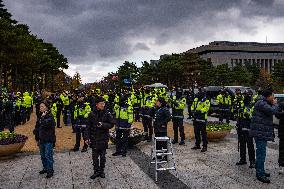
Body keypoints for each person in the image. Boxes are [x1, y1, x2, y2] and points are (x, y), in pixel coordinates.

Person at [250, 89, 284, 183]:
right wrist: (276, 103)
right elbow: (272, 111)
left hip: (261, 132)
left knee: (261, 153)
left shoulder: (263, 102)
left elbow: (275, 113)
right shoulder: (261, 103)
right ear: (268, 96)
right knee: (261, 153)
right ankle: (260, 174)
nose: (274, 97)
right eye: (272, 96)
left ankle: (261, 170)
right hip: (260, 132)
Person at [87, 97, 115, 179]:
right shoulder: (91, 114)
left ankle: (101, 170)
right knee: (95, 157)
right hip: (94, 138)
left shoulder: (107, 113)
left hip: (103, 138)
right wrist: (87, 138)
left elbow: (112, 124)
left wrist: (103, 125)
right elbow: (88, 127)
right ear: (96, 105)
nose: (103, 105)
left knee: (103, 157)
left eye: (104, 103)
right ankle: (96, 171)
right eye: (101, 103)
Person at [33, 101, 56, 178]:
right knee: (42, 155)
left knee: (48, 155)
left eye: (42, 106)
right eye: (40, 107)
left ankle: (50, 170)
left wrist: (42, 117)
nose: (40, 108)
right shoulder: (40, 116)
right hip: (41, 139)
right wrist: (36, 135)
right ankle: (45, 168)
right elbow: (37, 127)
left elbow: (46, 125)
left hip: (48, 139)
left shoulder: (50, 116)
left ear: (46, 107)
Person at [235, 90, 255, 168]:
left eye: (246, 95)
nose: (244, 96)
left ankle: (252, 161)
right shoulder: (241, 103)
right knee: (242, 144)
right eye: (244, 94)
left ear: (250, 95)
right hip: (240, 125)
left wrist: (247, 115)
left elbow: (253, 115)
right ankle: (242, 159)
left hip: (248, 126)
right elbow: (237, 113)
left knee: (250, 144)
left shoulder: (252, 104)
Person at [276, 102, 284, 174]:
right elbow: (277, 114)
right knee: (282, 149)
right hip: (282, 131)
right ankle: (282, 166)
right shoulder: (281, 104)